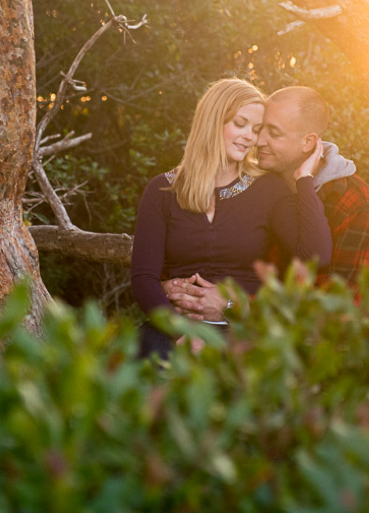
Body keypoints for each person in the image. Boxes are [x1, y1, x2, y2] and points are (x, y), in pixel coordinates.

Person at [130, 78, 332, 359]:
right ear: (213, 121)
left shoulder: (268, 189)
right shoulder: (162, 190)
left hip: (241, 331)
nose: (251, 137)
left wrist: (305, 180)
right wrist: (181, 332)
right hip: (173, 330)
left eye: (256, 129)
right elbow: (143, 277)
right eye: (240, 124)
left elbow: (315, 255)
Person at [164, 85, 369, 317]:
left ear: (308, 142)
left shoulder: (353, 202)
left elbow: (339, 304)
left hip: (310, 346)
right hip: (232, 330)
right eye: (260, 129)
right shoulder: (249, 183)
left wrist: (235, 305)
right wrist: (169, 287)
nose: (258, 141)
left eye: (274, 133)